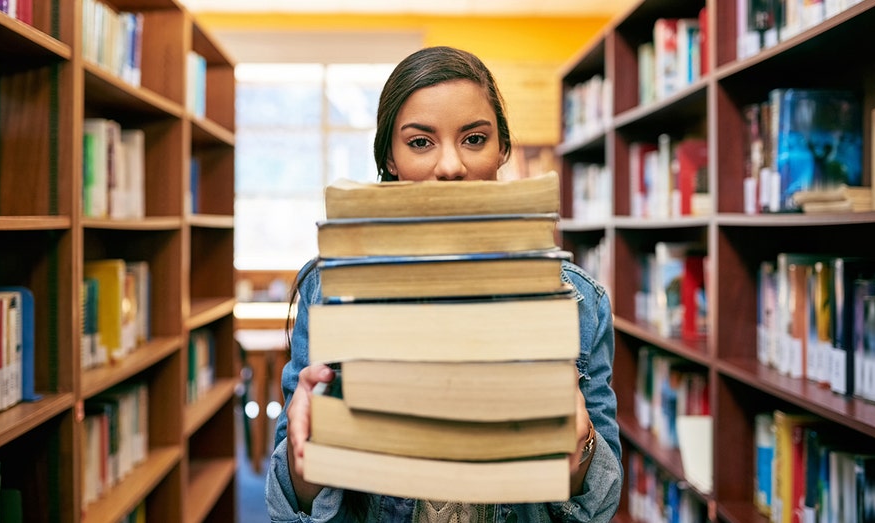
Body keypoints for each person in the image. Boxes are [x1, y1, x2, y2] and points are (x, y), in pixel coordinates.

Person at [266, 45, 622, 522]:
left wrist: (579, 452)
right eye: (419, 142)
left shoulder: (578, 302)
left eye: (474, 139)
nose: (451, 165)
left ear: (502, 151)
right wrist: (305, 458)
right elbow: (288, 506)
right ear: (390, 159)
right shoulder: (333, 290)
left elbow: (601, 506)